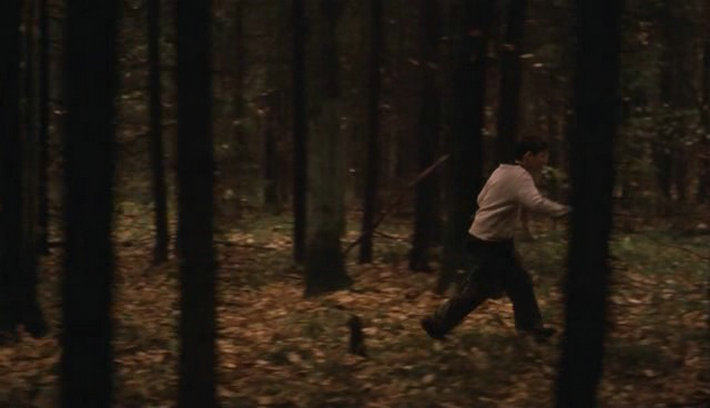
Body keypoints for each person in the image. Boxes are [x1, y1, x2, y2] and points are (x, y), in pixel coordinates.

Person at [421, 138, 570, 341]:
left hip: (488, 239)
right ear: (528, 156)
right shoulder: (521, 176)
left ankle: (531, 328)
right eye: (542, 156)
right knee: (482, 289)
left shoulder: (501, 171)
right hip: (490, 242)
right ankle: (437, 324)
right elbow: (535, 203)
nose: (545, 160)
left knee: (517, 282)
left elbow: (481, 198)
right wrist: (564, 211)